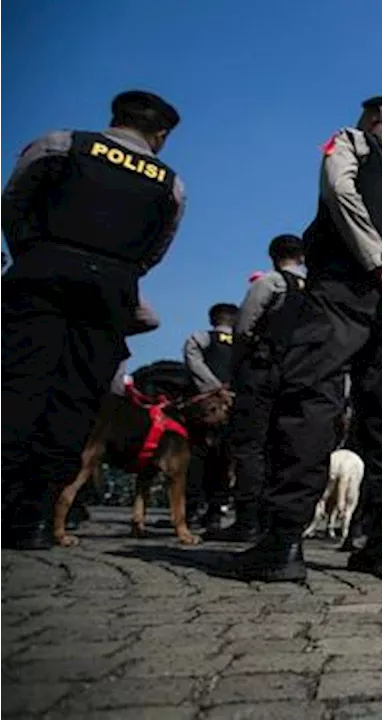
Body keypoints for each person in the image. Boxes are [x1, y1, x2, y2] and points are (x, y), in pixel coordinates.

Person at [231, 94, 382, 581]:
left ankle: (284, 540)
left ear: (375, 118)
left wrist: (377, 263)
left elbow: (339, 193)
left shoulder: (352, 142)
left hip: (343, 284)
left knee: (312, 399)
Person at [0, 90, 185, 549]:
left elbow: (15, 202)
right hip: (111, 290)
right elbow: (156, 248)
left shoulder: (62, 144)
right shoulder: (169, 183)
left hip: (42, 270)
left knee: (17, 385)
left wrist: (36, 253)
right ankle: (37, 515)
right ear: (160, 136)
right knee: (77, 399)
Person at [206, 234, 307, 543]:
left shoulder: (269, 283)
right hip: (297, 374)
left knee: (250, 446)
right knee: (282, 447)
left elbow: (244, 327)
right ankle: (274, 518)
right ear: (302, 257)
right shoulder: (314, 290)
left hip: (261, 371)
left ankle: (247, 519)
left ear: (272, 256)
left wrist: (238, 367)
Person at [182, 302, 238, 530]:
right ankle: (216, 509)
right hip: (232, 405)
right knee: (224, 458)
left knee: (196, 455)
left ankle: (192, 508)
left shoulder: (200, 338)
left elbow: (193, 361)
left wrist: (212, 387)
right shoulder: (244, 343)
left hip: (202, 407)